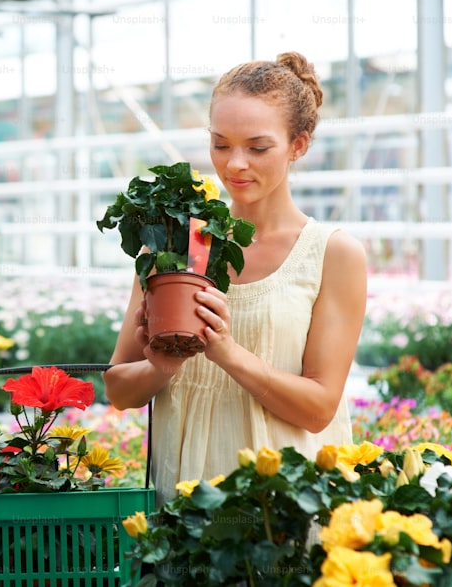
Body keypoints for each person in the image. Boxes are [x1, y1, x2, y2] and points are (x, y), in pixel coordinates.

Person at [103, 51, 368, 505]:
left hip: (284, 502)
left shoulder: (332, 253)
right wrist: (161, 366)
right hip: (184, 500)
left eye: (258, 147)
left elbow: (319, 408)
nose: (235, 165)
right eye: (221, 144)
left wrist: (226, 353)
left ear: (298, 145)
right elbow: (118, 388)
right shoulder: (172, 243)